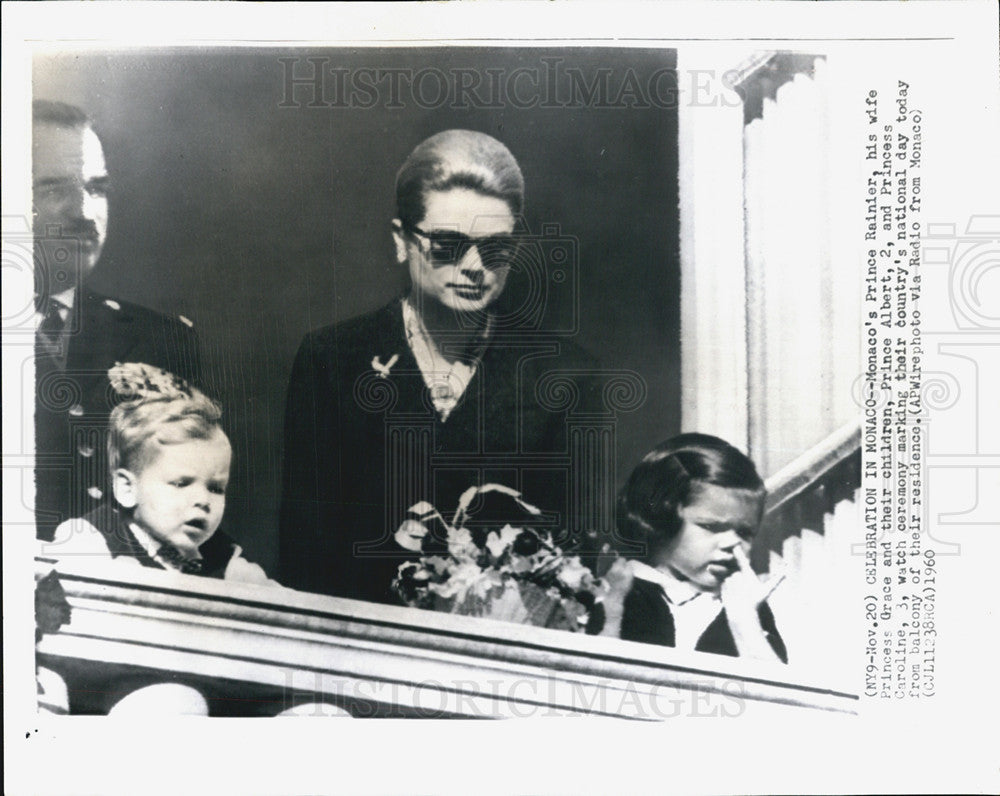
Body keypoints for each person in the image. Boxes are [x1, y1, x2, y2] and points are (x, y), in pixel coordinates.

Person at [279, 129, 599, 604]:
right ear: (402, 241)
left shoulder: (564, 376)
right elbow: (304, 555)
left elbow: (572, 561)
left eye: (496, 249)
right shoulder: (334, 359)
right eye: (449, 244)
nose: (475, 267)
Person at [32, 100, 200, 540]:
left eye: (97, 188)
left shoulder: (159, 340)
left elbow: (188, 510)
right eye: (53, 190)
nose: (85, 214)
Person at [45, 362, 273, 585]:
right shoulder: (91, 541)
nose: (203, 501)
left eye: (215, 488)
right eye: (182, 483)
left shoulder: (226, 562)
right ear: (127, 488)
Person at [604, 433, 787, 663]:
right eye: (711, 526)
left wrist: (744, 622)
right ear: (661, 520)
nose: (733, 543)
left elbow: (776, 694)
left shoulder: (747, 605)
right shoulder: (623, 590)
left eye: (745, 532)